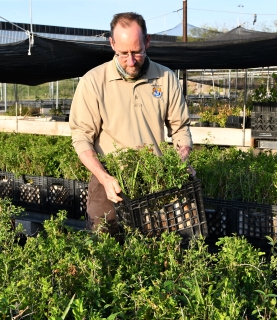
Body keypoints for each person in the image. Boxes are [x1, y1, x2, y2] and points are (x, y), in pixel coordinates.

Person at [69, 12, 193, 236]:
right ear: (112, 43)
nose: (131, 60)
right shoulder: (93, 82)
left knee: (156, 247)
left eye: (137, 52)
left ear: (147, 41)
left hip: (155, 181)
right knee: (105, 246)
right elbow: (81, 138)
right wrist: (104, 178)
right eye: (123, 53)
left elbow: (181, 128)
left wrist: (180, 161)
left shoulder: (166, 78)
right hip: (108, 181)